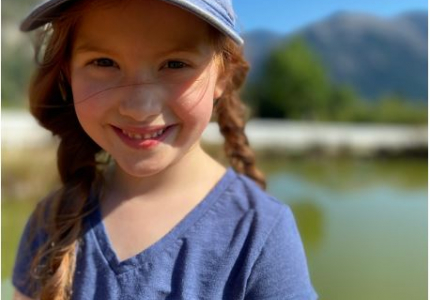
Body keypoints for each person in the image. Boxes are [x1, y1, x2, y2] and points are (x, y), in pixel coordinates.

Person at [12, 0, 318, 299]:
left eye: (175, 64)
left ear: (222, 76)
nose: (139, 108)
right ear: (68, 74)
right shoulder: (50, 221)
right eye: (104, 63)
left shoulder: (261, 233)